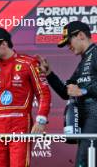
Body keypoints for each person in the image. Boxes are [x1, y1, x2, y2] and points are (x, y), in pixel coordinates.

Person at [0, 27, 51, 167]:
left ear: (3, 44)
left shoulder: (28, 63)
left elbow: (43, 92)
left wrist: (41, 120)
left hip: (20, 123)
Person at [38, 21, 97, 167]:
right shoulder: (83, 62)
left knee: (83, 162)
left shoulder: (95, 54)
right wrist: (49, 74)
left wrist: (83, 90)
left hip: (95, 115)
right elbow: (66, 93)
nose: (68, 47)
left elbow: (80, 90)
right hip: (88, 119)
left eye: (69, 41)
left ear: (81, 35)